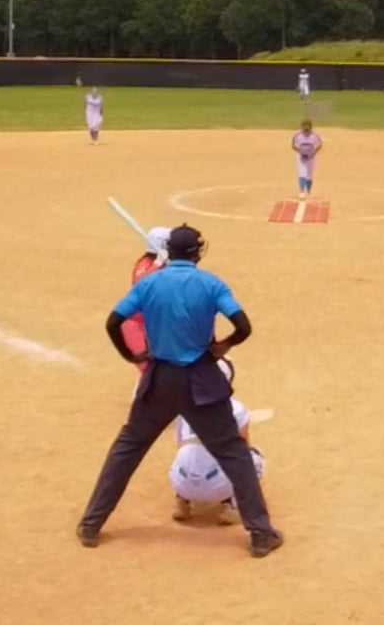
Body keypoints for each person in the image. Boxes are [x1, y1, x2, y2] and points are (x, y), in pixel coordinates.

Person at [76, 224, 283, 557]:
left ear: (168, 252)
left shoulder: (149, 283)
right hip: (202, 381)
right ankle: (260, 534)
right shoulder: (211, 284)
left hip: (160, 378)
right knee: (234, 453)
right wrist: (224, 345)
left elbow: (113, 322)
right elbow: (243, 326)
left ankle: (91, 524)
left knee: (127, 449)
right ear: (197, 253)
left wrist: (132, 355)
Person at [170, 359, 267, 525]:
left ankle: (182, 500)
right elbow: (243, 452)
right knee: (254, 458)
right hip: (217, 486)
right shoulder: (237, 408)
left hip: (180, 481)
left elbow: (179, 444)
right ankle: (231, 505)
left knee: (187, 452)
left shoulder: (183, 404)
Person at [120, 227, 170, 369]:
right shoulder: (146, 264)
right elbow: (139, 283)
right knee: (148, 369)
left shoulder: (168, 264)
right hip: (135, 325)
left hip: (156, 324)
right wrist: (157, 264)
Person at [292, 119, 323, 200]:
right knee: (302, 172)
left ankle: (308, 191)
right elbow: (293, 145)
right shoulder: (297, 135)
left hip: (311, 157)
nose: (305, 128)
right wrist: (300, 152)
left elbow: (320, 145)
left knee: (309, 174)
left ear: (310, 127)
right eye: (304, 126)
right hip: (301, 157)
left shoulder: (315, 136)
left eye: (307, 126)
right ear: (301, 127)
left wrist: (313, 153)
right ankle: (302, 191)